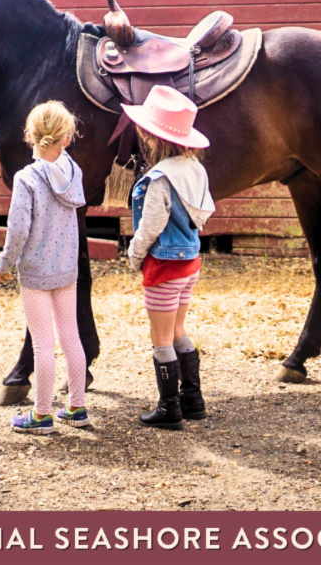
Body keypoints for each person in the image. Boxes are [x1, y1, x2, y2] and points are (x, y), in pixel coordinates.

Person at [0, 101, 90, 434]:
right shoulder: (73, 172)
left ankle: (42, 415)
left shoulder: (26, 178)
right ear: (67, 138)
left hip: (35, 272)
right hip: (66, 271)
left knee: (43, 344)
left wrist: (4, 263)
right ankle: (76, 407)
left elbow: (18, 229)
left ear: (29, 135)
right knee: (71, 337)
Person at [123, 85, 216, 430]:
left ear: (152, 138)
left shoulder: (158, 179)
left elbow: (150, 227)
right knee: (178, 330)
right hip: (190, 263)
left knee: (160, 338)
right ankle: (193, 400)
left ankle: (169, 407)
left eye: (144, 135)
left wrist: (134, 256)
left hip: (164, 266)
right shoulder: (195, 169)